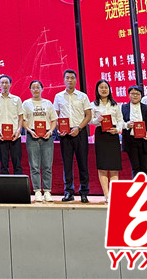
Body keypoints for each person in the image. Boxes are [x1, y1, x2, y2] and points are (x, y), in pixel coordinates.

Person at [53, 69, 92, 203]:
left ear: (76, 80)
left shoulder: (83, 96)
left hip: (80, 132)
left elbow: (88, 115)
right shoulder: (58, 96)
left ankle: (84, 192)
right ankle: (68, 192)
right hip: (65, 134)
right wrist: (58, 128)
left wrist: (79, 128)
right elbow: (55, 116)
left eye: (72, 78)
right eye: (67, 78)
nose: (70, 80)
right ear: (64, 80)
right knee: (67, 164)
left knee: (83, 163)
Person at [21, 80, 57, 202]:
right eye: (33, 87)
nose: (36, 89)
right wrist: (29, 131)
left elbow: (54, 120)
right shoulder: (26, 104)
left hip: (46, 135)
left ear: (42, 89)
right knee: (34, 165)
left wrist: (50, 131)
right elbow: (23, 121)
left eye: (38, 87)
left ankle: (47, 191)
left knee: (47, 165)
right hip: (32, 135)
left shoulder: (48, 103)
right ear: (30, 89)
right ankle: (37, 191)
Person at [90, 79, 123, 204]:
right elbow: (89, 120)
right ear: (97, 90)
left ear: (109, 90)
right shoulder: (93, 105)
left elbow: (120, 120)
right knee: (103, 167)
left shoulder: (115, 105)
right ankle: (107, 195)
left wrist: (118, 129)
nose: (104, 89)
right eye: (101, 87)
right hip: (101, 135)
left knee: (114, 167)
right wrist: (97, 120)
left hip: (113, 135)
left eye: (106, 87)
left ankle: (114, 194)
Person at [0, 74, 23, 175]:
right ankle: (5, 184)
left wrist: (18, 130)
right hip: (2, 135)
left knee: (17, 163)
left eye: (6, 83)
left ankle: (18, 184)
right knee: (4, 163)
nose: (4, 85)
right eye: (2, 83)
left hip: (15, 135)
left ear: (10, 84)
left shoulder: (17, 99)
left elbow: (21, 116)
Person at [121, 85, 147, 177]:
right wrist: (126, 125)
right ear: (128, 95)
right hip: (130, 140)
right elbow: (119, 122)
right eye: (132, 93)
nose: (135, 96)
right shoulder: (123, 107)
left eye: (137, 94)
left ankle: (146, 185)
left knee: (146, 167)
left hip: (144, 140)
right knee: (135, 168)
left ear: (141, 95)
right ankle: (137, 185)